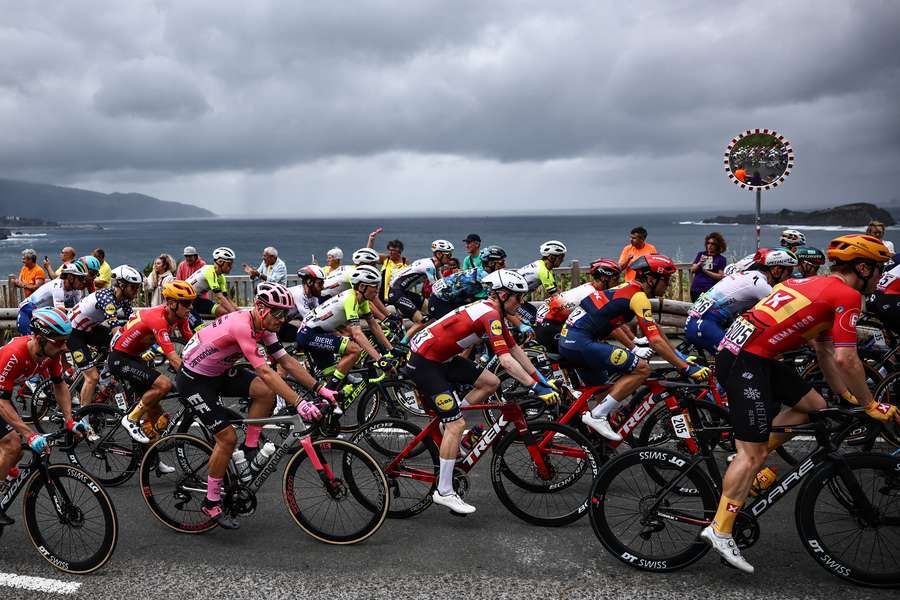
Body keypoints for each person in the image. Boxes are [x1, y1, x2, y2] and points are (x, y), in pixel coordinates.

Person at [705, 234, 900, 573]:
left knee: (815, 405)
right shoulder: (848, 295)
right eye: (879, 268)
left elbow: (825, 352)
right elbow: (847, 359)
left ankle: (749, 460)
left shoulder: (812, 282)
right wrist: (871, 404)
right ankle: (720, 528)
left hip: (752, 355)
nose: (882, 276)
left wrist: (849, 396)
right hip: (745, 361)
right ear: (863, 267)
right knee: (753, 454)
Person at [177, 282, 335, 529]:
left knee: (264, 393)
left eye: (286, 314)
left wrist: (320, 389)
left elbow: (287, 362)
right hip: (194, 380)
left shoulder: (264, 325)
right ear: (260, 308)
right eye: (278, 313)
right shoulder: (243, 325)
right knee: (226, 438)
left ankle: (250, 447)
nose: (282, 319)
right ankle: (211, 501)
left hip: (218, 372)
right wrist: (300, 402)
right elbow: (265, 371)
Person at [407, 270, 560, 515]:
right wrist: (534, 388)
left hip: (442, 359)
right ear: (501, 294)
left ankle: (448, 423)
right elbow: (507, 362)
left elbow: (516, 351)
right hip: (426, 364)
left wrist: (542, 380)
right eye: (517, 298)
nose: (520, 304)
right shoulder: (490, 314)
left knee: (490, 382)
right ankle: (443, 491)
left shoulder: (493, 311)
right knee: (458, 425)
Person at [559, 254, 710, 441]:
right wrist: (686, 368)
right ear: (650, 279)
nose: (668, 285)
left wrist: (681, 357)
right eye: (666, 280)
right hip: (580, 343)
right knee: (642, 369)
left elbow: (655, 331)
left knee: (604, 392)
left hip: (573, 341)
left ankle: (597, 445)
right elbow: (655, 341)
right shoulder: (638, 297)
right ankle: (596, 417)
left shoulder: (629, 289)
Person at [0, 308, 88, 526]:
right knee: (12, 444)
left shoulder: (50, 354)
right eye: (58, 342)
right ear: (39, 339)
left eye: (65, 341)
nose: (64, 347)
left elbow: (60, 385)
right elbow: (1, 402)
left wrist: (70, 420)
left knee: (15, 452)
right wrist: (28, 433)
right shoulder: (16, 354)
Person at [113, 281, 196, 443]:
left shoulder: (180, 317)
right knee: (164, 385)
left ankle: (151, 460)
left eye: (192, 302)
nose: (191, 307)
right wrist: (195, 378)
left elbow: (193, 343)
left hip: (135, 358)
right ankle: (131, 419)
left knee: (155, 414)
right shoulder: (158, 319)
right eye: (187, 303)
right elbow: (172, 357)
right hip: (120, 358)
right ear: (172, 304)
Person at [296, 265, 394, 393]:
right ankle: (327, 394)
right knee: (355, 350)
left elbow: (373, 325)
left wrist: (391, 349)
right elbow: (357, 333)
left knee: (334, 378)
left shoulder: (362, 300)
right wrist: (380, 360)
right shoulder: (350, 299)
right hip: (309, 333)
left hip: (319, 332)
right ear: (362, 287)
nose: (377, 290)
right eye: (375, 286)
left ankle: (328, 395)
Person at [684, 248, 797, 356]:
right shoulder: (760, 285)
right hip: (704, 324)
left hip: (702, 320)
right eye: (789, 271)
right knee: (738, 361)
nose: (790, 276)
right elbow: (786, 310)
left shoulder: (751, 275)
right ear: (776, 270)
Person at [69, 266, 142, 408]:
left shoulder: (124, 299)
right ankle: (83, 418)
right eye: (133, 287)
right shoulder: (106, 298)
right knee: (92, 377)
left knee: (115, 344)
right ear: (121, 285)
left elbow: (133, 321)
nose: (136, 291)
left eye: (138, 287)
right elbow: (115, 329)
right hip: (74, 333)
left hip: (89, 329)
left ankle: (104, 372)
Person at [534, 259, 621, 354]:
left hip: (549, 321)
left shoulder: (591, 287)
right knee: (586, 352)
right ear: (604, 279)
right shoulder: (591, 294)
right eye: (615, 279)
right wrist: (634, 347)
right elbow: (612, 326)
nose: (618, 283)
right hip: (548, 325)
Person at [388, 240, 454, 344]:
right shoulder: (429, 266)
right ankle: (402, 345)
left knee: (432, 312)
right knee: (421, 321)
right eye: (448, 255)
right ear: (439, 254)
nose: (450, 257)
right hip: (396, 292)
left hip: (403, 292)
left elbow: (443, 283)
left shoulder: (435, 266)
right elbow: (437, 287)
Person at [427, 245, 507, 321]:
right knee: (461, 326)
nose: (505, 266)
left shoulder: (483, 272)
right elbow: (496, 300)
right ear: (491, 263)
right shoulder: (483, 276)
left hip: (451, 299)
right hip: (439, 302)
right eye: (501, 263)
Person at [16, 262, 88, 334]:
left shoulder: (75, 290)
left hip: (41, 314)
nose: (84, 282)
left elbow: (80, 309)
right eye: (81, 278)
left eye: (85, 278)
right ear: (71, 277)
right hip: (28, 310)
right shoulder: (58, 285)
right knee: (29, 340)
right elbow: (61, 311)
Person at [515, 240, 567, 325]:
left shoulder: (542, 266)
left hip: (516, 299)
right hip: (511, 301)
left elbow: (557, 290)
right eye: (561, 257)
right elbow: (556, 297)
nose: (562, 260)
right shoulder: (543, 271)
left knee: (536, 314)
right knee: (534, 320)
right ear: (551, 257)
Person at [186, 247, 239, 325]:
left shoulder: (221, 277)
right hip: (183, 302)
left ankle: (217, 332)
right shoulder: (209, 271)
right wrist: (234, 314)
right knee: (200, 329)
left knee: (224, 312)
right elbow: (220, 297)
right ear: (220, 262)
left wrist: (239, 311)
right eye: (229, 264)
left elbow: (226, 298)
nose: (231, 267)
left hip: (195, 300)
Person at [277, 265, 326, 343]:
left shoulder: (312, 295)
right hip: (272, 326)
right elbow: (310, 319)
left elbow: (319, 314)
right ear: (310, 282)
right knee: (305, 335)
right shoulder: (298, 294)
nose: (323, 287)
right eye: (320, 284)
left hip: (281, 323)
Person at [689, 232, 727, 301]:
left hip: (710, 291)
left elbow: (720, 276)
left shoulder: (721, 259)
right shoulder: (701, 254)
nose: (709, 245)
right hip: (696, 289)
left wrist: (706, 271)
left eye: (713, 244)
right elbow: (692, 270)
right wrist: (700, 263)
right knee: (694, 310)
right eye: (708, 243)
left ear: (718, 245)